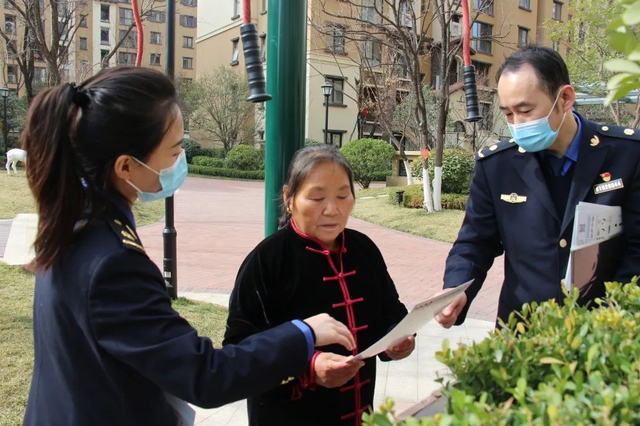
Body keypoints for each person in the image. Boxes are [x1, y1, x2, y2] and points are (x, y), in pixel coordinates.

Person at [21, 67, 357, 426]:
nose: (180, 161)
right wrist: (303, 334)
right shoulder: (111, 261)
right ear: (126, 166)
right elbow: (205, 375)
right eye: (175, 150)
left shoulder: (73, 224)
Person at [437, 45, 640, 328]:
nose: (517, 124)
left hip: (605, 332)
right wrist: (456, 288)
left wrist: (610, 319)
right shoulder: (497, 165)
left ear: (565, 98)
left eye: (525, 110)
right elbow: (475, 242)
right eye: (508, 114)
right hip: (525, 332)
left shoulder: (627, 154)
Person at [224, 145, 415, 426]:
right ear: (289, 198)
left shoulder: (363, 250)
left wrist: (396, 340)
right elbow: (238, 348)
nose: (332, 209)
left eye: (343, 196)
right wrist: (309, 366)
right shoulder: (267, 260)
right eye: (316, 197)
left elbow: (390, 313)